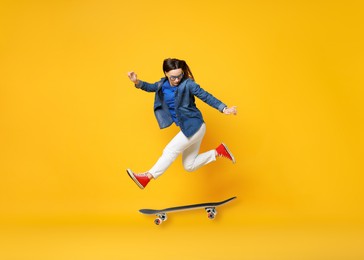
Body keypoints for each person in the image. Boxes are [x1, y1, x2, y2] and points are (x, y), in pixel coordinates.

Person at [126, 58, 237, 189]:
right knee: (189, 165)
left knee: (170, 150)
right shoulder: (162, 84)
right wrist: (136, 81)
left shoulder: (188, 84)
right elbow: (150, 87)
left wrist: (223, 108)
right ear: (166, 73)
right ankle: (218, 152)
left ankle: (147, 177)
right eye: (173, 77)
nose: (177, 80)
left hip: (194, 126)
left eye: (180, 76)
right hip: (190, 128)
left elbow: (206, 96)